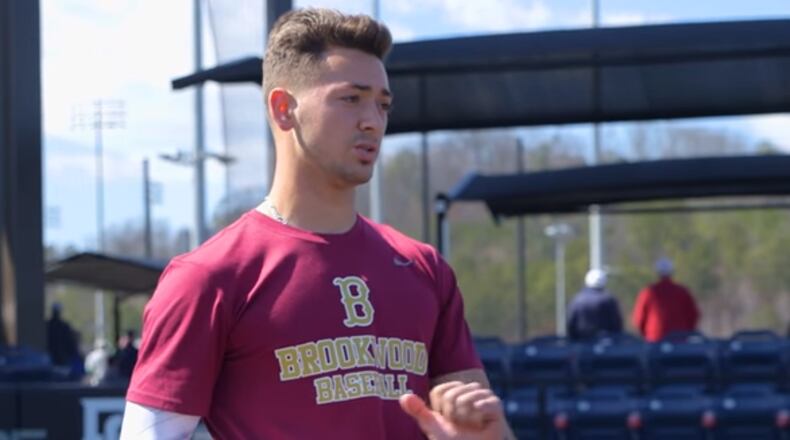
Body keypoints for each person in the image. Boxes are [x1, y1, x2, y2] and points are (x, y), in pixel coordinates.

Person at [120, 8, 513, 440]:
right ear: (284, 109)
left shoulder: (424, 269)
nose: (373, 120)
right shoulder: (208, 279)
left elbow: (478, 431)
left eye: (383, 104)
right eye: (351, 99)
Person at [632, 257, 700, 342]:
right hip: (679, 340)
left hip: (654, 340)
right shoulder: (682, 291)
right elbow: (693, 315)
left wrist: (645, 334)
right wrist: (686, 332)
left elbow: (639, 318)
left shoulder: (648, 292)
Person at [566, 269, 623, 341]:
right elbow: (616, 324)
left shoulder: (577, 299)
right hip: (604, 343)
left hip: (582, 342)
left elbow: (571, 324)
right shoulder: (608, 300)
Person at [46, 302, 82, 378]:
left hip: (62, 358)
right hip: (54, 357)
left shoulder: (62, 326)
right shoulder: (50, 326)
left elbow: (70, 342)